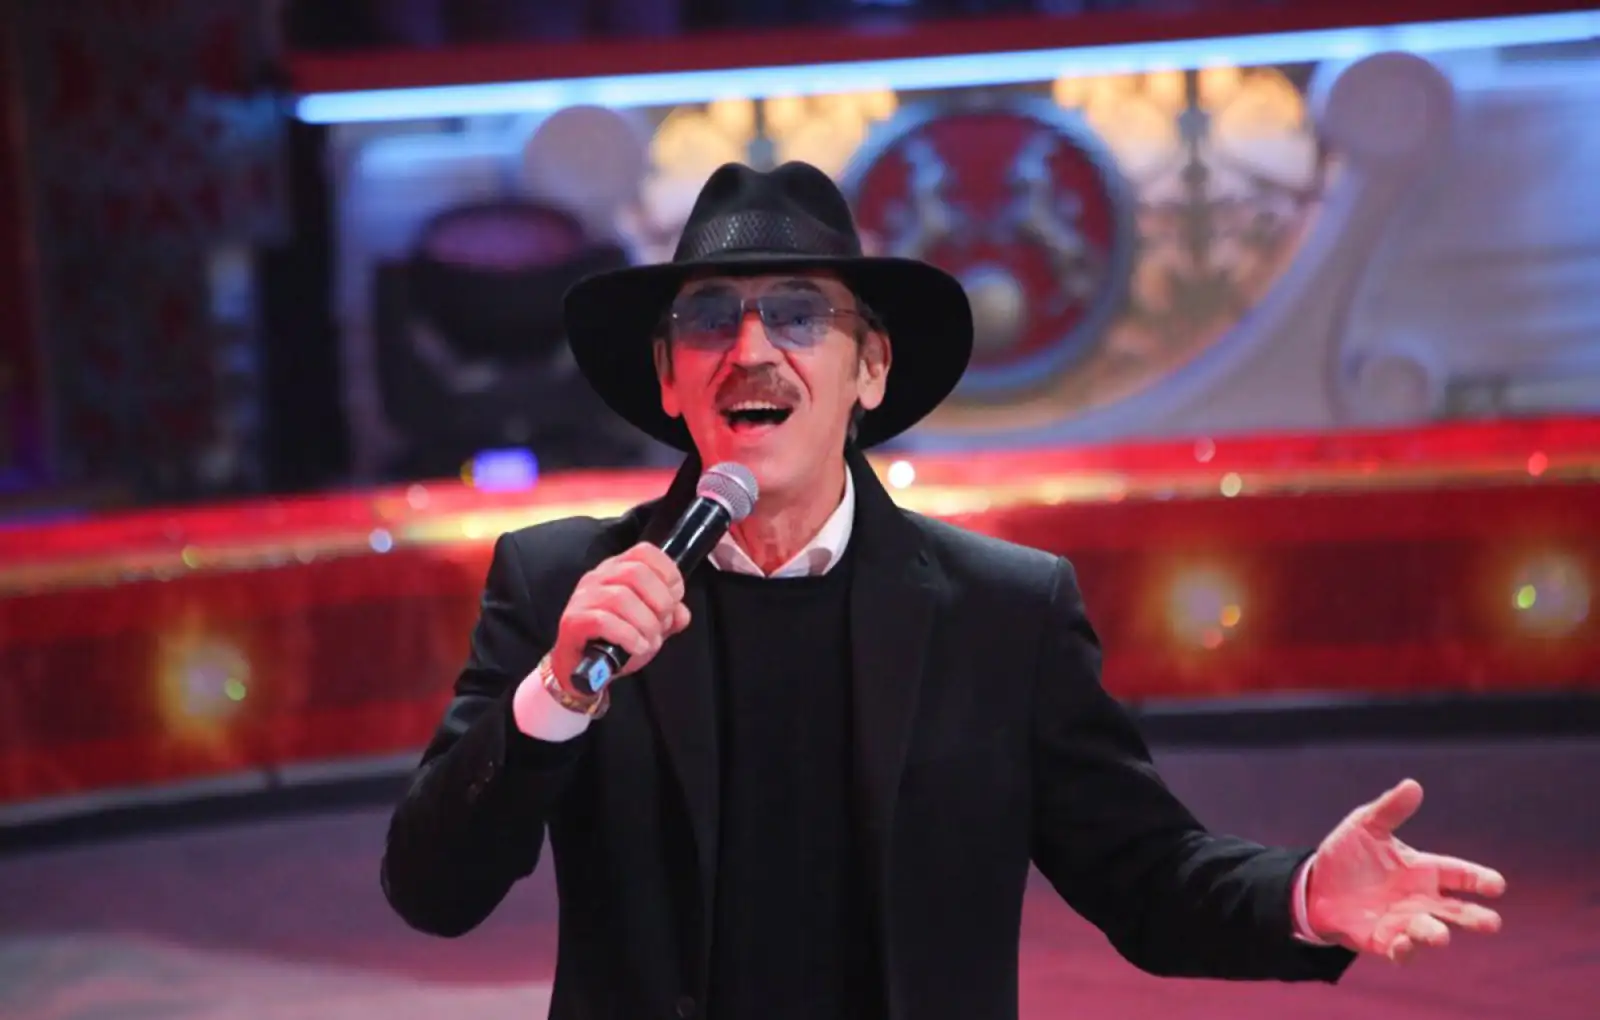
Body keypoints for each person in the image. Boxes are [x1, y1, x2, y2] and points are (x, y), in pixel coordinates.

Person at [380, 161, 1506, 1020]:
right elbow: (432, 892)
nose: (751, 347)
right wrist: (555, 699)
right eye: (710, 318)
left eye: (799, 313)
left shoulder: (1003, 611)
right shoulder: (561, 588)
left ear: (869, 370)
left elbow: (1144, 873)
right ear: (670, 379)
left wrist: (1302, 894)